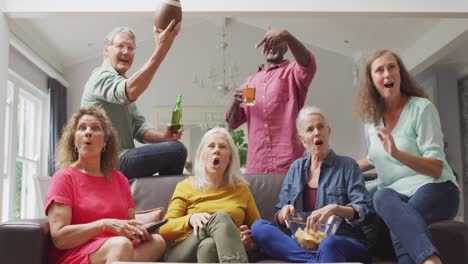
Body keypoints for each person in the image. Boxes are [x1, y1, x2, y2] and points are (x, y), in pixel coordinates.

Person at [357, 49, 459, 264]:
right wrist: (341, 168)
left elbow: (436, 167)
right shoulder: (371, 122)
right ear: (371, 80)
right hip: (395, 193)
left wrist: (398, 154)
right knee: (381, 196)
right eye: (379, 70)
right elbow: (375, 157)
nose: (387, 74)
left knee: (401, 222)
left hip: (436, 186)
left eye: (391, 67)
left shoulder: (422, 108)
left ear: (400, 73)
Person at [250, 106, 372, 263]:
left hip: (341, 241)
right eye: (310, 129)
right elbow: (280, 213)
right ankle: (312, 260)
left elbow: (365, 209)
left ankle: (311, 258)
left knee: (328, 244)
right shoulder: (295, 168)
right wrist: (283, 214)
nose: (317, 132)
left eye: (321, 126)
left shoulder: (347, 166)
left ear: (329, 131)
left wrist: (335, 209)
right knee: (258, 228)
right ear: (302, 138)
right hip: (303, 244)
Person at [45, 106, 166, 264]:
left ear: (105, 143)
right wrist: (104, 225)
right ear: (74, 140)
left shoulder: (120, 180)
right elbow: (60, 238)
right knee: (121, 246)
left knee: (157, 242)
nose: (88, 132)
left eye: (95, 128)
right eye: (82, 128)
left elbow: (129, 226)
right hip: (77, 253)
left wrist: (139, 232)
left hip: (120, 249)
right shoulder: (63, 178)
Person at [81, 23, 187, 179]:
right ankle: (173, 202)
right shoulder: (100, 77)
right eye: (120, 46)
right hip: (107, 162)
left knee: (173, 148)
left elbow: (140, 128)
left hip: (122, 158)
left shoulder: (122, 82)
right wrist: (162, 49)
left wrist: (164, 138)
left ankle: (167, 200)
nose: (126, 51)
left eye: (130, 48)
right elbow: (129, 91)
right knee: (177, 151)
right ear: (106, 50)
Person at [159, 127, 261, 263]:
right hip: (183, 252)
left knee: (209, 246)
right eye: (211, 146)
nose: (216, 150)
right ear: (202, 154)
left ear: (230, 157)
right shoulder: (186, 186)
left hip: (221, 250)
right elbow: (164, 229)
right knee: (220, 217)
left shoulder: (241, 190)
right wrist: (190, 219)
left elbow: (259, 231)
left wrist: (250, 241)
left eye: (222, 146)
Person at [225, 27, 317, 174]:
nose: (272, 47)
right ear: (263, 49)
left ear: (286, 48)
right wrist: (236, 103)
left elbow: (309, 64)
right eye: (269, 44)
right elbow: (232, 123)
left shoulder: (293, 73)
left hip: (289, 165)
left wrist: (286, 35)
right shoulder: (251, 82)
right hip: (257, 166)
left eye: (277, 43)